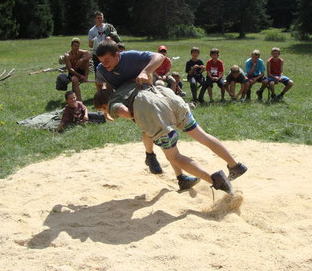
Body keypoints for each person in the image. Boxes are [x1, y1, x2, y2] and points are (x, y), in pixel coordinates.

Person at [94, 82, 248, 195]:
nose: (105, 112)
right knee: (202, 136)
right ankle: (235, 165)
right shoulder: (127, 84)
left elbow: (123, 111)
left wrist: (133, 115)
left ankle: (216, 181)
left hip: (154, 112)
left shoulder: (113, 101)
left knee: (173, 156)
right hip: (168, 98)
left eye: (103, 110)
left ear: (104, 105)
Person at [94, 38, 199, 190]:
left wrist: (145, 72)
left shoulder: (131, 58)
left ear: (118, 55)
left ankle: (152, 158)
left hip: (148, 98)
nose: (105, 64)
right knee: (163, 136)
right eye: (102, 61)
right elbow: (101, 89)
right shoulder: (102, 69)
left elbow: (158, 57)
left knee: (158, 135)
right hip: (133, 103)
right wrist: (109, 110)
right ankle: (179, 176)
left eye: (107, 60)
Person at [88, 11, 121, 90]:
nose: (100, 19)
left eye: (101, 17)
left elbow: (116, 37)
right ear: (95, 19)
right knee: (98, 73)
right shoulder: (92, 31)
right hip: (97, 54)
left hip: (109, 53)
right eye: (98, 18)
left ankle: (110, 90)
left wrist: (111, 37)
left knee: (110, 71)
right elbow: (90, 45)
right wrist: (94, 41)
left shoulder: (109, 27)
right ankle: (100, 92)